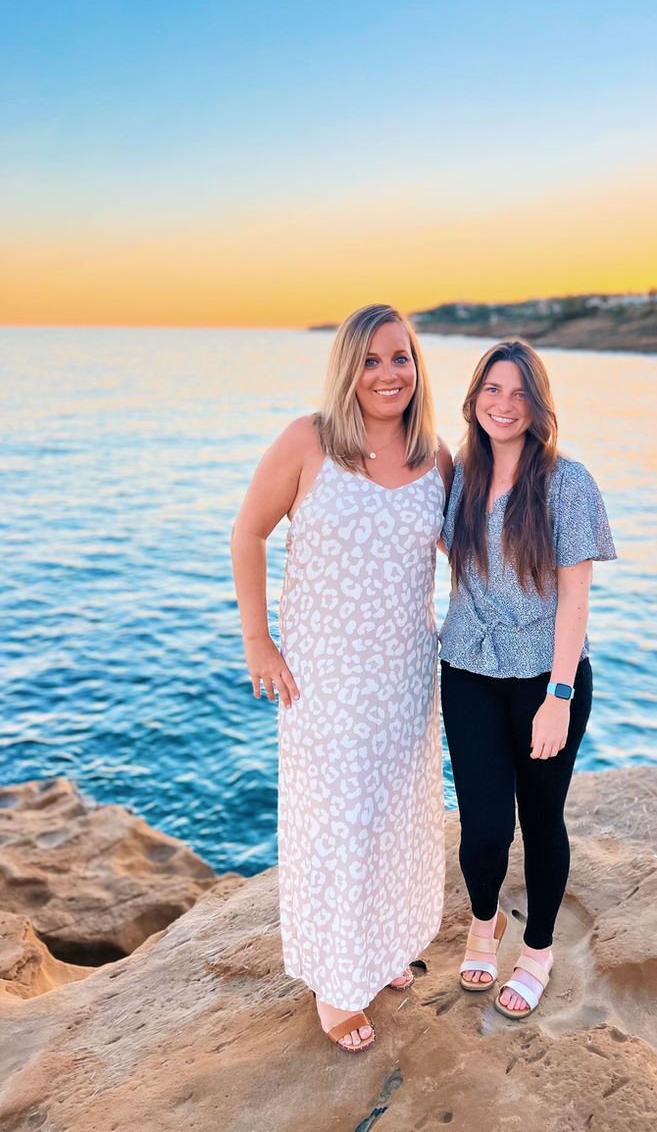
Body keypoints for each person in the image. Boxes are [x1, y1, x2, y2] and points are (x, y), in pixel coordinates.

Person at [231, 304, 452, 1054]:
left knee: (397, 815)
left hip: (406, 676)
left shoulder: (438, 458)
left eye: (401, 358)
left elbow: (478, 559)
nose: (388, 374)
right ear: (347, 368)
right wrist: (259, 641)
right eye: (371, 360)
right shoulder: (309, 442)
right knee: (337, 825)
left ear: (417, 367)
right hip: (325, 680)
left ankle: (385, 945)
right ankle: (334, 982)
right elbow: (248, 531)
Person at [439, 339, 615, 1019]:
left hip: (550, 676)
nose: (503, 405)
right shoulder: (456, 475)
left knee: (541, 821)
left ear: (538, 404)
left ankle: (537, 950)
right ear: (474, 398)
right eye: (491, 390)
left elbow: (576, 598)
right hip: (470, 672)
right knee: (483, 829)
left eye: (518, 393)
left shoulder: (568, 483)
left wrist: (559, 697)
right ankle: (484, 924)